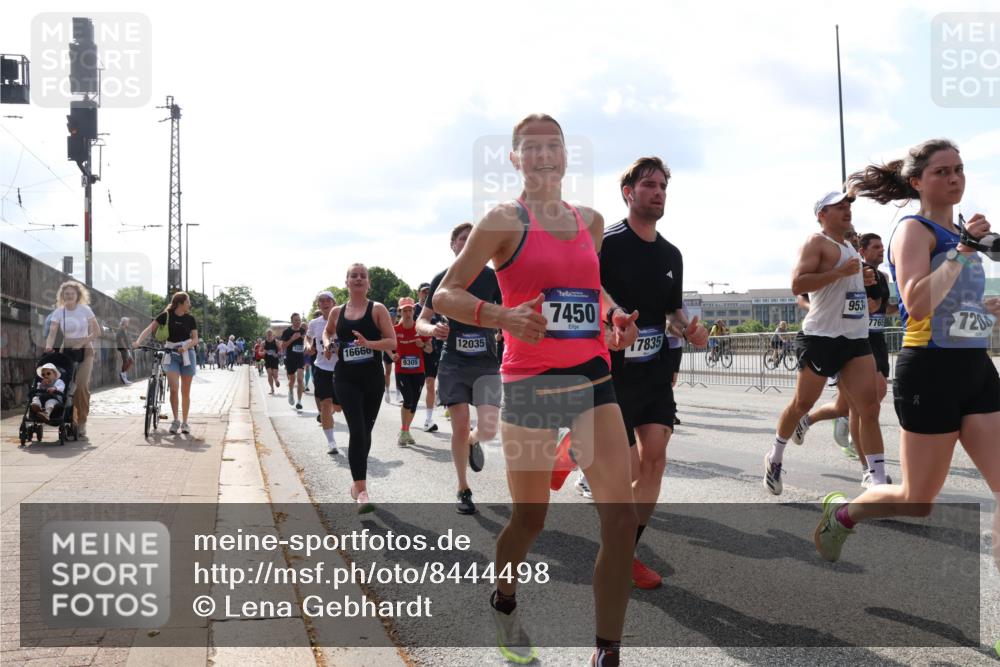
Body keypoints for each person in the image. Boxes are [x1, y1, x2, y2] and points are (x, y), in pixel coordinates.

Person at [431, 113, 640, 666]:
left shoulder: (590, 221)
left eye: (555, 146)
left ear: (566, 155)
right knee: (531, 518)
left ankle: (606, 652)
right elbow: (444, 296)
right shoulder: (503, 221)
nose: (545, 156)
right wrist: (501, 315)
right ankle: (504, 598)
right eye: (532, 148)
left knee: (620, 518)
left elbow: (591, 289)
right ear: (515, 159)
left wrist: (616, 319)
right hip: (530, 384)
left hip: (594, 375)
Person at [813, 139, 1000, 563]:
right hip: (931, 373)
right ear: (917, 182)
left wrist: (986, 314)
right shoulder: (914, 231)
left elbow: (952, 309)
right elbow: (916, 305)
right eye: (941, 172)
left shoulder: (958, 237)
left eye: (959, 169)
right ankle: (843, 515)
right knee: (918, 499)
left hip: (975, 367)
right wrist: (963, 249)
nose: (954, 178)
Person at [599, 156, 709, 589]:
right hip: (612, 371)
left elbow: (672, 311)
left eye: (663, 185)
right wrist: (615, 317)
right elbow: (591, 289)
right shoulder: (606, 242)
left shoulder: (671, 254)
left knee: (655, 460)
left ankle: (627, 552)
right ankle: (574, 451)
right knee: (625, 469)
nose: (658, 191)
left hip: (654, 371)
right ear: (629, 193)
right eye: (649, 185)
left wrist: (690, 330)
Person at [764, 191, 885, 496]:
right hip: (821, 337)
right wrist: (838, 273)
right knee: (803, 403)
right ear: (821, 214)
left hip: (856, 338)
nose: (847, 210)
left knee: (868, 408)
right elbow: (798, 284)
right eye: (839, 207)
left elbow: (848, 286)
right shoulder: (816, 243)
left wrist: (862, 280)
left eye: (848, 206)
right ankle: (775, 456)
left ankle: (876, 477)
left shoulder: (851, 248)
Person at [418, 222, 504, 515]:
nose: (468, 244)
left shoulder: (493, 278)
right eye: (462, 240)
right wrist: (432, 329)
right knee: (458, 422)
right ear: (453, 245)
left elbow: (508, 312)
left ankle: (473, 440)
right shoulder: (442, 279)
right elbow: (422, 320)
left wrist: (502, 325)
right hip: (453, 361)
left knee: (489, 427)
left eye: (473, 240)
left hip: (486, 362)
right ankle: (463, 488)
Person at [323, 264, 397, 512]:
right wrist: (328, 343)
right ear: (346, 282)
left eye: (362, 276)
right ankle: (362, 491)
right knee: (356, 430)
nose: (358, 279)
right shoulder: (337, 311)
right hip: (345, 378)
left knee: (365, 433)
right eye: (353, 276)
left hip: (372, 380)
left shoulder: (377, 309)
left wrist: (369, 343)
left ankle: (356, 486)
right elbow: (328, 332)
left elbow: (391, 341)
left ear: (368, 284)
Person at [134, 291, 199, 434]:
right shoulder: (166, 315)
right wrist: (138, 341)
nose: (190, 304)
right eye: (188, 302)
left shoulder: (190, 319)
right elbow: (149, 329)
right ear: (180, 303)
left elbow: (195, 339)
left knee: (185, 392)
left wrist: (186, 346)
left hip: (188, 354)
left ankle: (185, 423)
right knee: (174, 388)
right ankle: (176, 421)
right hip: (171, 354)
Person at [44, 280, 100, 438]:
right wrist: (49, 346)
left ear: (78, 295)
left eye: (72, 294)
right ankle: (69, 419)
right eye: (66, 294)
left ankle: (82, 421)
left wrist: (82, 342)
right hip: (66, 349)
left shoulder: (85, 310)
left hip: (85, 349)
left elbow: (97, 331)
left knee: (81, 386)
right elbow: (53, 332)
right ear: (62, 296)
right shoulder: (59, 312)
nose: (69, 296)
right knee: (66, 386)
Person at [393, 297, 433, 446]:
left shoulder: (419, 329)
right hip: (402, 370)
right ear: (400, 312)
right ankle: (404, 431)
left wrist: (422, 345)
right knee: (408, 399)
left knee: (414, 403)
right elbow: (387, 346)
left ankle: (405, 430)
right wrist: (392, 355)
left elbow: (430, 349)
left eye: (410, 310)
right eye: (405, 310)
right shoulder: (395, 330)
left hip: (418, 371)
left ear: (414, 311)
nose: (408, 313)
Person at [307, 294, 341, 454]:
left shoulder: (343, 320)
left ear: (334, 303)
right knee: (325, 404)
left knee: (339, 407)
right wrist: (308, 345)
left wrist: (335, 347)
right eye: (322, 301)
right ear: (318, 305)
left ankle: (334, 410)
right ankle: (331, 442)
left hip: (341, 368)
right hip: (321, 368)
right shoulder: (314, 323)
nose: (325, 303)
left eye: (328, 300)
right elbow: (308, 337)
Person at [414, 282, 442, 431]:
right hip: (415, 353)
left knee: (431, 382)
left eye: (429, 292)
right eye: (424, 292)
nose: (426, 294)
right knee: (416, 386)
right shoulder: (413, 310)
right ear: (418, 293)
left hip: (434, 351)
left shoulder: (438, 310)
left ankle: (429, 420)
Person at [280, 314, 308, 410]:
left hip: (300, 358)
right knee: (292, 380)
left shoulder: (303, 331)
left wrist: (306, 348)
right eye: (296, 320)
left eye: (299, 320)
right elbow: (283, 346)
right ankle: (290, 391)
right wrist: (292, 339)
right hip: (290, 359)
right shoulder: (287, 332)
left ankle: (299, 402)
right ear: (292, 321)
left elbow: (306, 343)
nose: (298, 322)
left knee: (300, 379)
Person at [115, 317, 134, 384]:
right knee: (126, 361)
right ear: (124, 322)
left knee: (130, 361)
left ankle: (123, 374)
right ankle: (123, 376)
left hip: (126, 348)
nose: (128, 323)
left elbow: (127, 339)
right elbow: (121, 340)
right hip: (123, 348)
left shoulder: (125, 330)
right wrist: (126, 348)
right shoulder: (120, 330)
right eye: (127, 322)